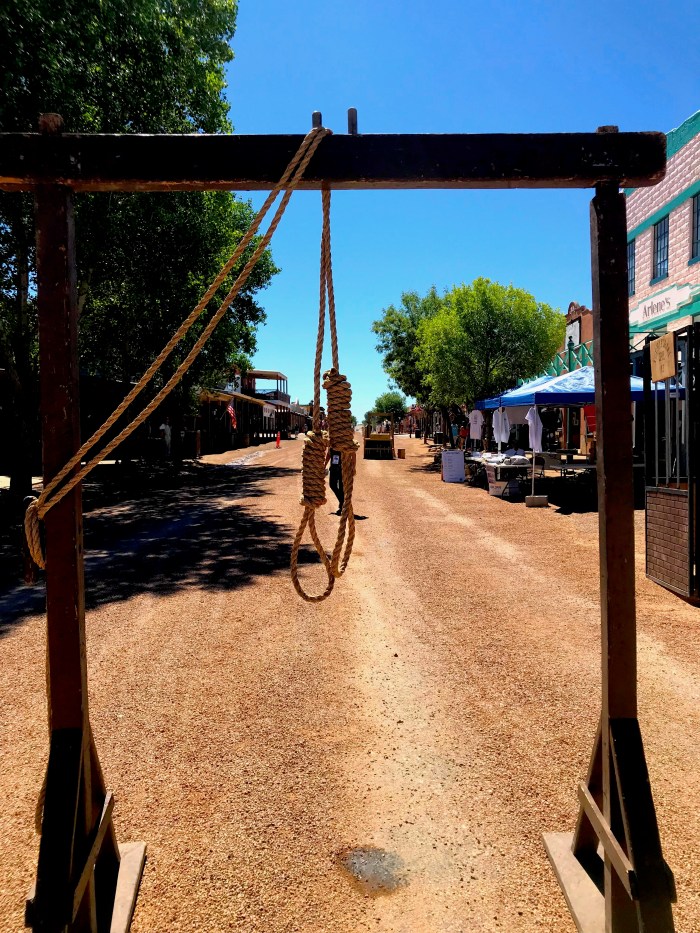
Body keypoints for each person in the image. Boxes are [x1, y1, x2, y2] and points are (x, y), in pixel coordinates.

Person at [325, 447, 344, 514]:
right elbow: (329, 454)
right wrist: (325, 465)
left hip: (342, 469)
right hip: (333, 469)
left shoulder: (344, 444)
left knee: (341, 488)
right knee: (332, 485)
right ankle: (343, 502)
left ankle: (341, 507)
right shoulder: (331, 445)